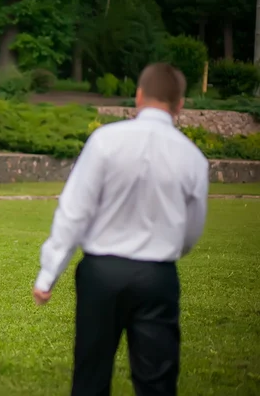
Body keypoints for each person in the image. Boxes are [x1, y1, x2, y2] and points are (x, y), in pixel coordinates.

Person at [32, 63, 209, 396]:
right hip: (158, 276)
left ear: (139, 95)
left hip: (102, 273)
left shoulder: (104, 140)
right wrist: (166, 251)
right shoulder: (193, 157)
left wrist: (48, 274)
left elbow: (74, 210)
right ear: (180, 104)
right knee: (157, 380)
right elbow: (191, 230)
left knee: (91, 373)